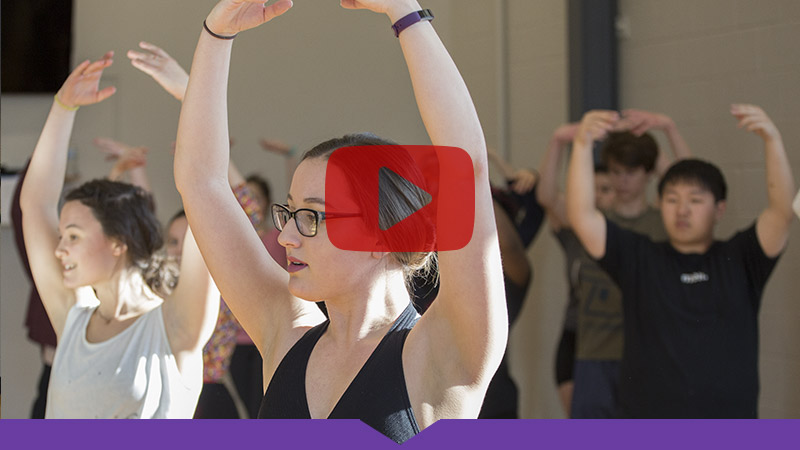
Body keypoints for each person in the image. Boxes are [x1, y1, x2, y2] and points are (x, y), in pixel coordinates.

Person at [174, 0, 506, 442]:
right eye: (289, 212)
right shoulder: (285, 332)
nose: (287, 236)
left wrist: (402, 11)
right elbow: (202, 182)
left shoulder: (442, 352)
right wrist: (218, 33)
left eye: (311, 216)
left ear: (381, 233)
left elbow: (467, 165)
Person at [19, 53, 219, 419]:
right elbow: (34, 204)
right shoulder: (73, 318)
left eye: (74, 236)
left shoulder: (174, 327)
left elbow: (209, 194)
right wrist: (62, 108)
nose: (60, 249)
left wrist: (191, 95)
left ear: (118, 242)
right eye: (63, 236)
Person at [565, 105, 795, 417]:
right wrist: (581, 145)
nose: (682, 209)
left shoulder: (740, 259)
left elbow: (782, 213)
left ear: (720, 209)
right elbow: (582, 217)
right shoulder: (639, 257)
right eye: (672, 199)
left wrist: (772, 140)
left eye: (695, 200)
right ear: (660, 204)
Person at [537, 111, 691, 418]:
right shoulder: (592, 222)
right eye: (616, 171)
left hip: (649, 354)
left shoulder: (662, 222)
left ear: (647, 173)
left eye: (631, 172)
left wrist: (667, 130)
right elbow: (548, 197)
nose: (622, 180)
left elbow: (689, 184)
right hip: (594, 352)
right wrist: (558, 140)